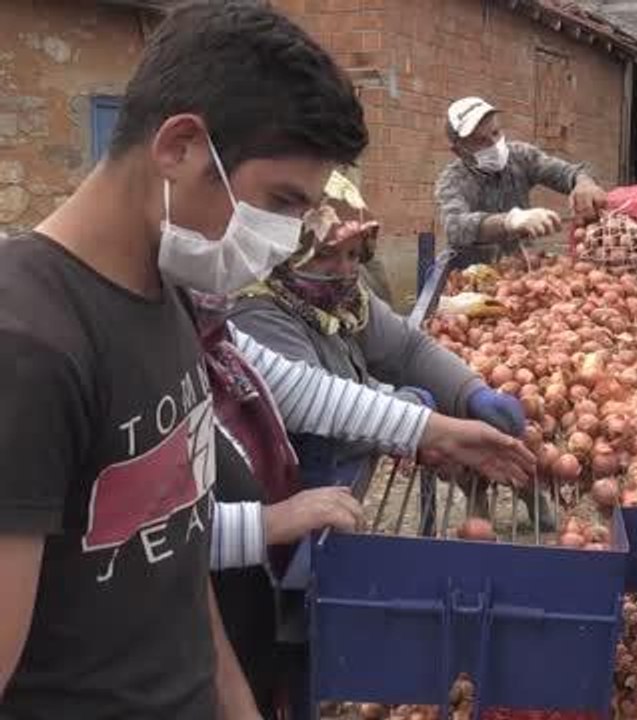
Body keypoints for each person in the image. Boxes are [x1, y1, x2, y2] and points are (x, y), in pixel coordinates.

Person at [0, 2, 363, 715]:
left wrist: (236, 703)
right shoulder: (26, 345)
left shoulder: (169, 298)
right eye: (279, 201)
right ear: (179, 148)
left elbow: (172, 552)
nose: (285, 237)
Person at [201, 294, 534, 715]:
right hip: (181, 634)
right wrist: (265, 524)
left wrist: (437, 428)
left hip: (239, 601)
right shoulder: (235, 312)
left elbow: (303, 390)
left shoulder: (202, 321)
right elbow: (136, 541)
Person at [230, 171, 555, 529]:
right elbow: (314, 403)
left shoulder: (343, 297)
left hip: (334, 491)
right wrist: (409, 407)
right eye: (324, 255)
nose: (344, 269)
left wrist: (472, 392)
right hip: (283, 506)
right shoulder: (257, 311)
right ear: (284, 250)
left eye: (355, 254)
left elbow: (407, 349)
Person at [435, 96, 609, 265]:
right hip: (473, 272)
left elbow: (566, 173)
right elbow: (455, 226)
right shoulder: (453, 181)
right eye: (481, 141)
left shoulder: (520, 156)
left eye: (496, 133)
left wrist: (583, 182)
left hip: (522, 265)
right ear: (459, 151)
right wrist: (511, 221)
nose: (494, 144)